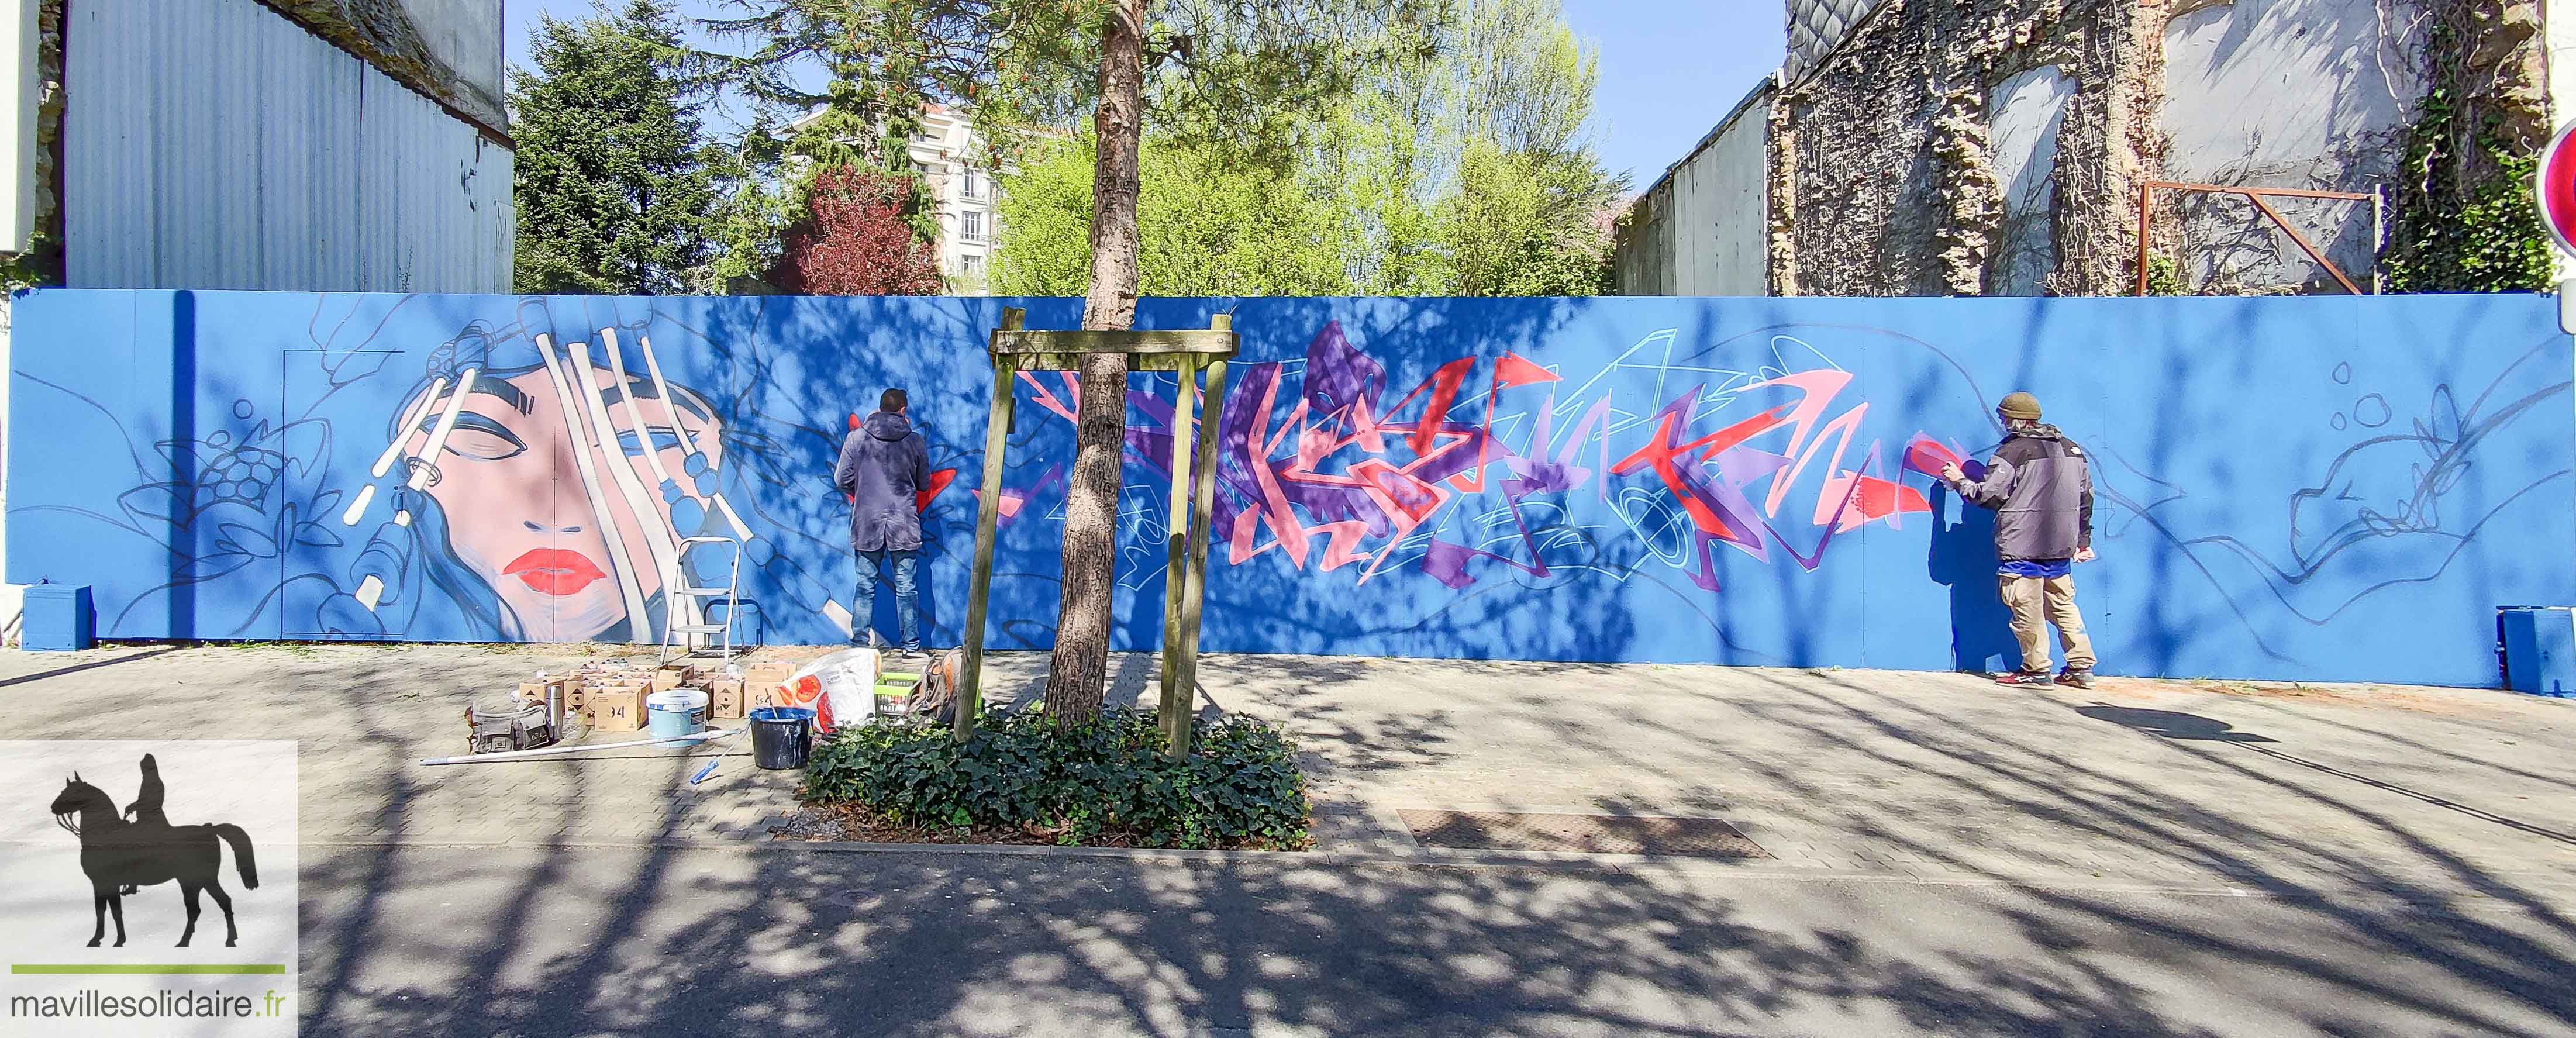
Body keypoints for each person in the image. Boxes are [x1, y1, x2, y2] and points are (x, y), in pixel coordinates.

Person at [1939, 391, 2099, 688]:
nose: (2001, 423)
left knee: (2027, 609)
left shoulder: (2012, 452)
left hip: (2021, 546)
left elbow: (1988, 495)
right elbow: (2086, 497)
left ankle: (2036, 671)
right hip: (2059, 546)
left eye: (2003, 417)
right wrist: (2082, 540)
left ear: (2015, 420)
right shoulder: (2072, 449)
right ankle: (2081, 668)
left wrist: (1958, 481)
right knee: (2064, 606)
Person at [835, 388, 931, 654]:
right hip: (903, 522)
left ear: (879, 409)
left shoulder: (856, 439)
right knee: (907, 588)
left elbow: (841, 480)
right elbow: (924, 484)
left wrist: (863, 488)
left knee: (865, 585)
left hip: (867, 522)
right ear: (903, 411)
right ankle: (911, 647)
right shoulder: (915, 441)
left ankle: (859, 645)